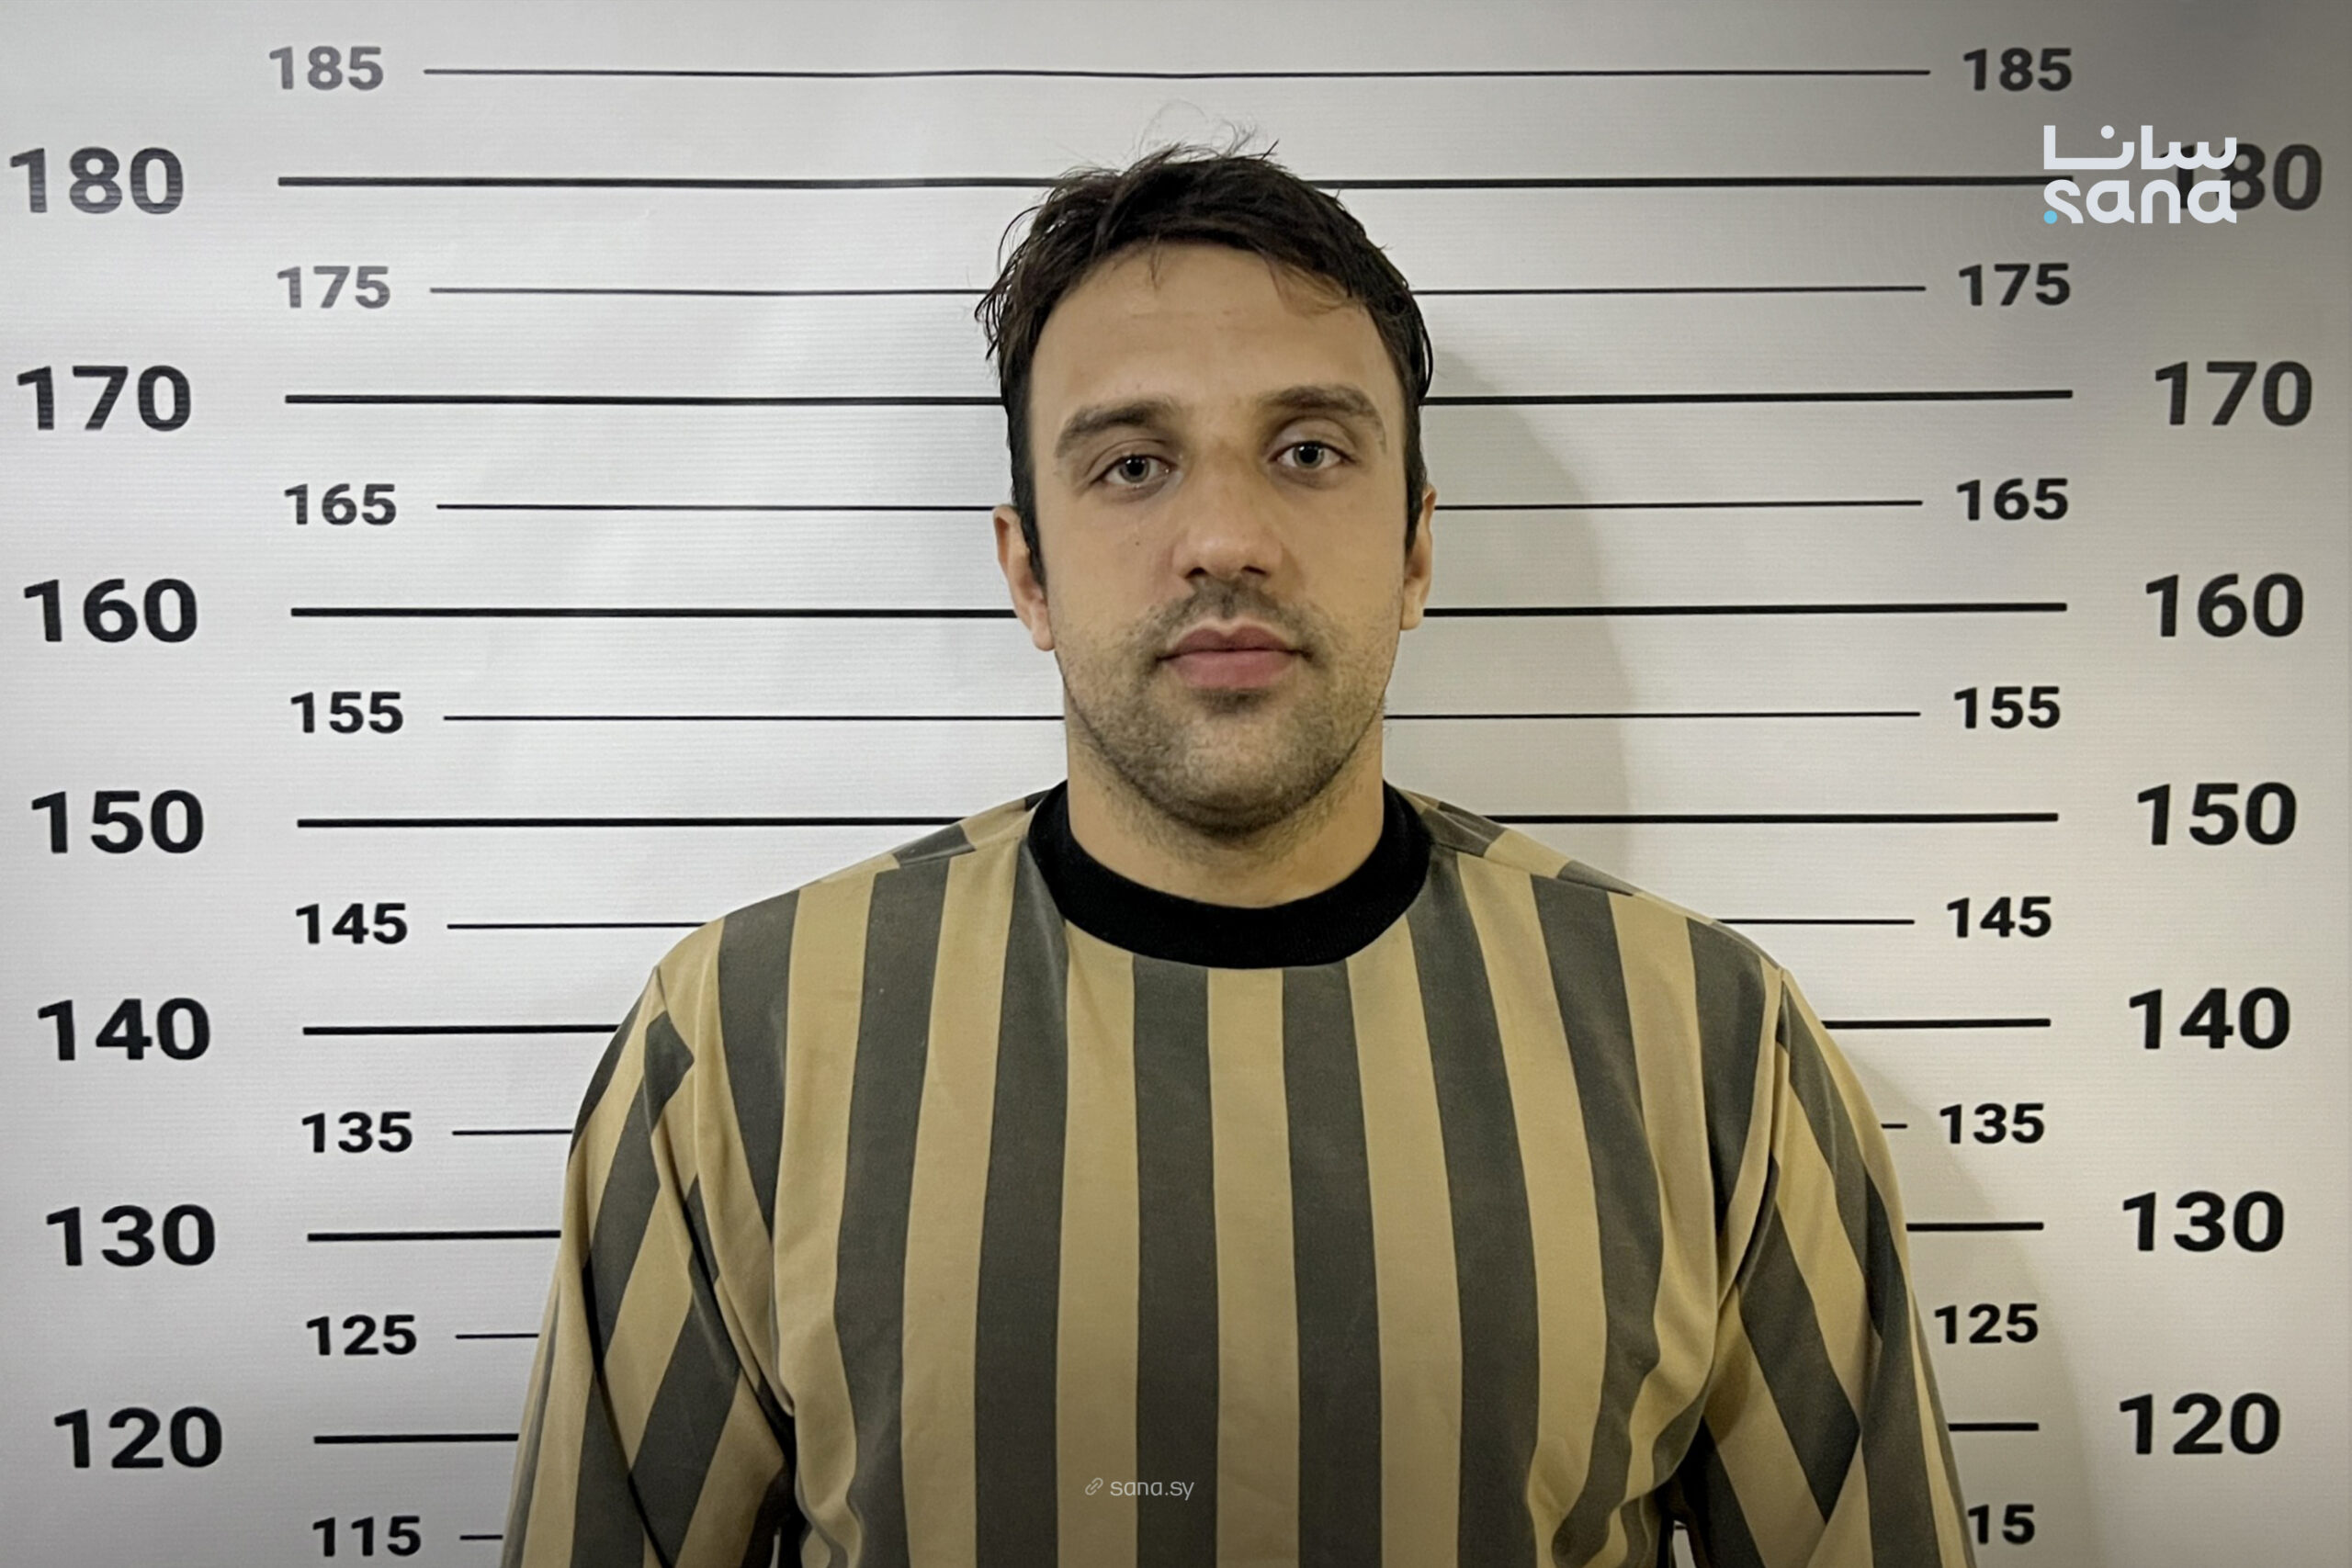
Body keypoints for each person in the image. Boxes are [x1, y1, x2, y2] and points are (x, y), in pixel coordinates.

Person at [500, 144, 1976, 1568]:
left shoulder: (1707, 1043)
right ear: (1027, 571)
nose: (1224, 537)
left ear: (1416, 550)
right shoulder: (741, 1042)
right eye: (1133, 464)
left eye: (1309, 451)